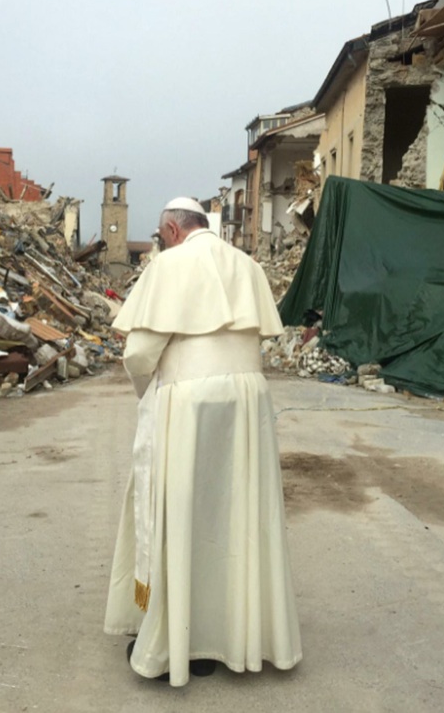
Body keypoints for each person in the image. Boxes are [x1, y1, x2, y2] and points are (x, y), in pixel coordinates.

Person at [103, 197, 303, 687]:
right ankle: (233, 636)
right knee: (236, 519)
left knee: (182, 515)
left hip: (188, 401)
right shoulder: (247, 265)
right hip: (247, 400)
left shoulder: (168, 265)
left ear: (172, 230)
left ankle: (178, 641)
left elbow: (140, 354)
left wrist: (148, 394)